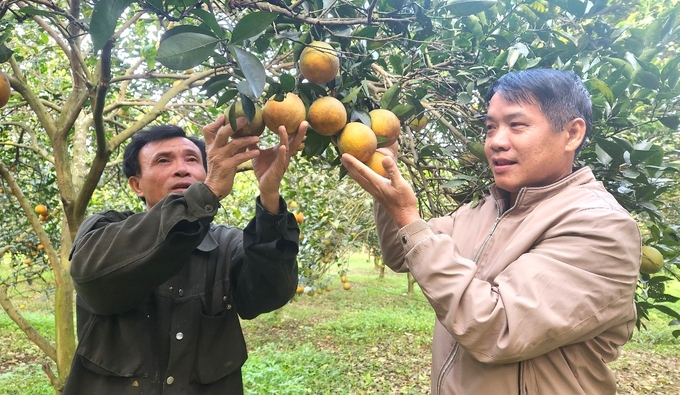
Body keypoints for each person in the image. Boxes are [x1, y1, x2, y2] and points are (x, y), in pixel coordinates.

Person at [340, 69, 641, 394]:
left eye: (516, 125)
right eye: (490, 127)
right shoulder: (484, 210)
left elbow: (496, 328)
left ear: (571, 134)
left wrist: (407, 214)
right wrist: (388, 197)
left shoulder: (601, 226)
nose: (496, 141)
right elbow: (404, 251)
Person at [63, 115, 307, 394]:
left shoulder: (227, 244)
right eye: (163, 161)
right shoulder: (105, 231)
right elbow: (94, 280)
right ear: (136, 185)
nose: (182, 169)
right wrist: (208, 193)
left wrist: (269, 196)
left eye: (192, 160)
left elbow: (268, 293)